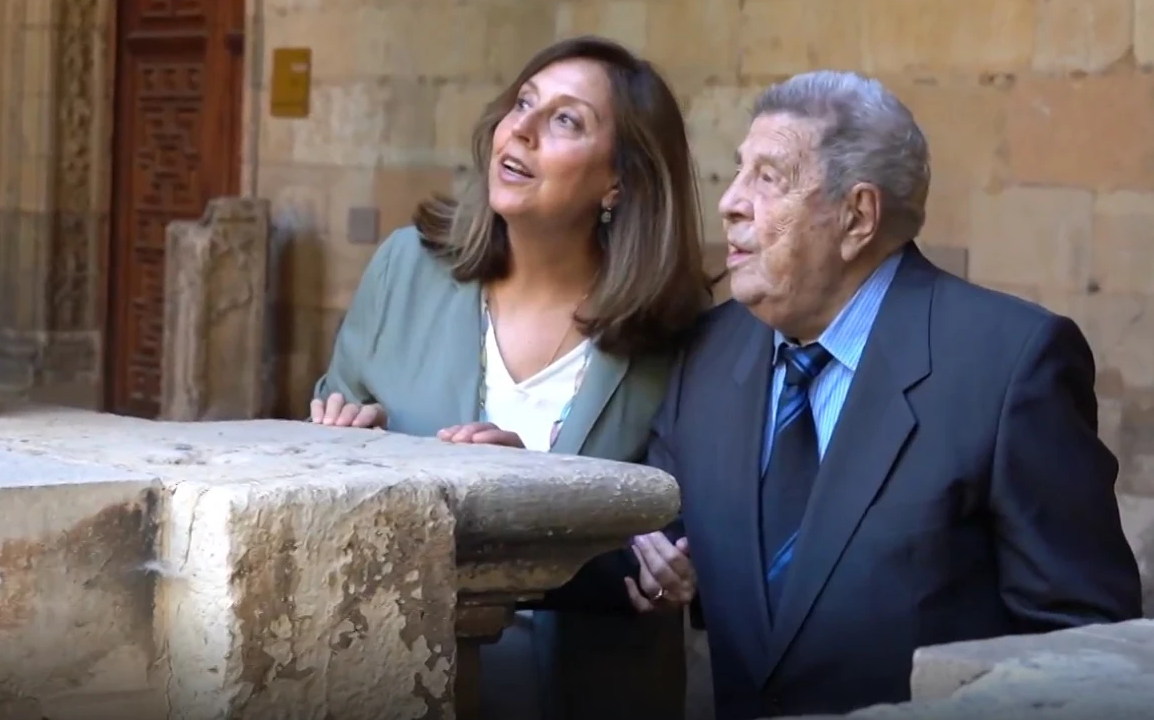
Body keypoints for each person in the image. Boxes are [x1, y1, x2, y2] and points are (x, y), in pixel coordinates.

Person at [629, 70, 1143, 720]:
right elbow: (658, 533)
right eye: (738, 171)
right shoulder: (704, 352)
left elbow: (1082, 645)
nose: (731, 201)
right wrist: (647, 555)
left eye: (768, 177)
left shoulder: (1009, 364)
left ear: (857, 215)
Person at [311, 35, 712, 719]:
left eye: (565, 119)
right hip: (406, 677)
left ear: (618, 180)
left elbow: (698, 515)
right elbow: (331, 414)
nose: (520, 128)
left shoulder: (672, 329)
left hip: (595, 692)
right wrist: (340, 435)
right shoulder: (406, 267)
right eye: (521, 103)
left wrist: (668, 556)